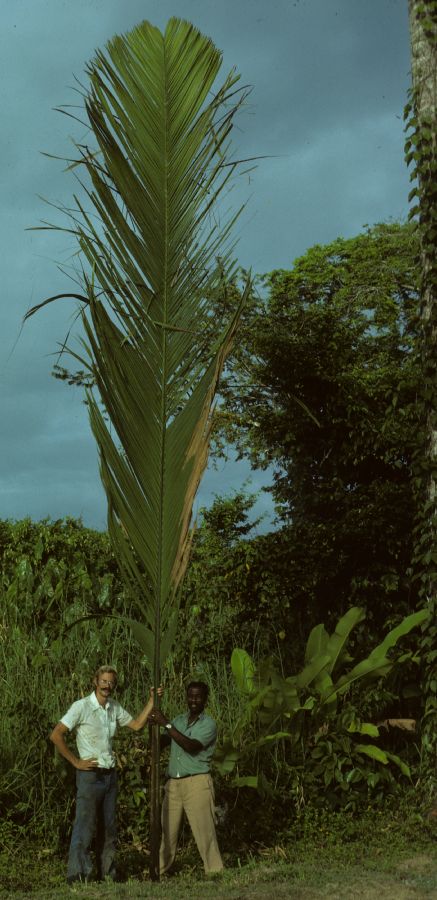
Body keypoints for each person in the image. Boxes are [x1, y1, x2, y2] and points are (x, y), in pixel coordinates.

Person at [50, 665, 160, 885]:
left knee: (109, 827)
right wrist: (76, 762)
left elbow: (137, 725)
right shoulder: (81, 706)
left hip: (110, 776)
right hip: (89, 776)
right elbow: (56, 735)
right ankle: (78, 875)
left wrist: (151, 700)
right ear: (95, 681)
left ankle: (107, 873)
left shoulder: (113, 707)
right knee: (85, 825)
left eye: (111, 682)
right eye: (104, 681)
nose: (107, 686)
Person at [148, 681, 223, 876]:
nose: (193, 700)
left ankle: (215, 872)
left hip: (197, 783)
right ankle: (159, 871)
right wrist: (153, 725)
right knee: (168, 833)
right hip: (173, 784)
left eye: (198, 696)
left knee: (204, 831)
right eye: (190, 696)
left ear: (205, 699)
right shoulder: (179, 720)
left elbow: (191, 746)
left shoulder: (209, 724)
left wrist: (165, 722)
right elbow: (159, 743)